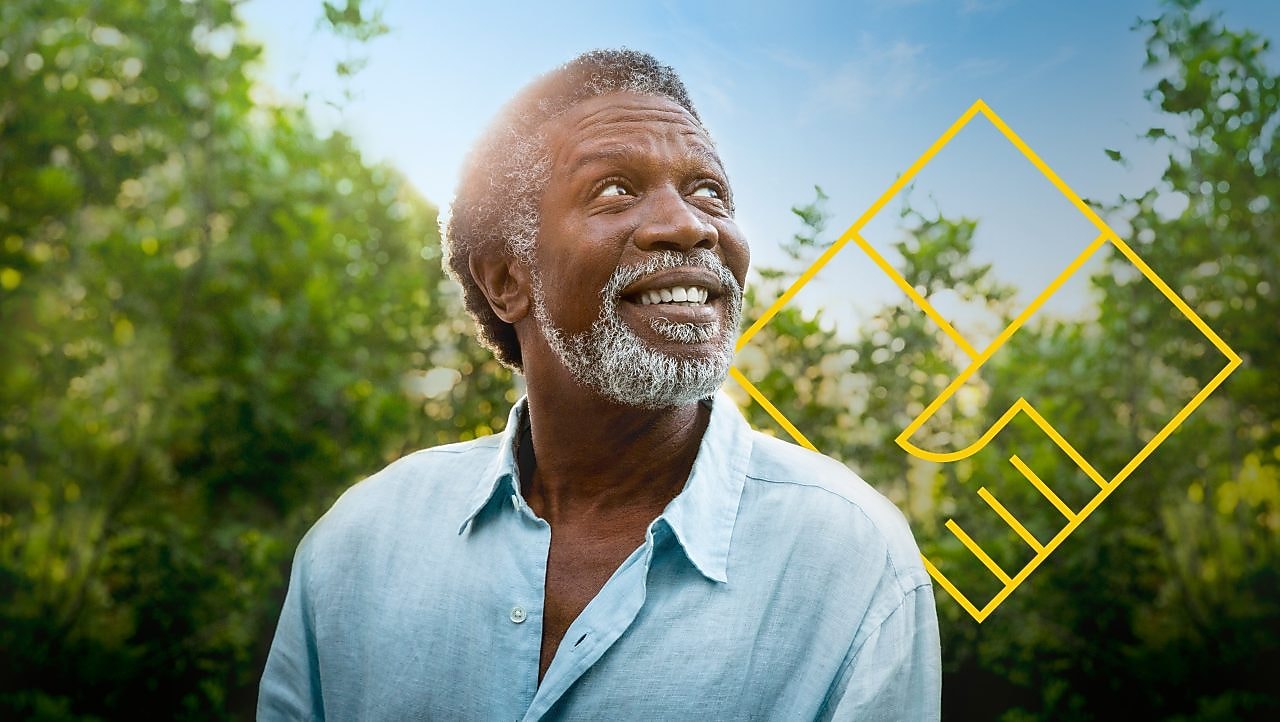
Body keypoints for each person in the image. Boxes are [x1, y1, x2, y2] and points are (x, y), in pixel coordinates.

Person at [258, 49, 941, 721]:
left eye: (710, 191)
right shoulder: (355, 551)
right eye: (615, 187)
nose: (689, 225)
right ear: (506, 279)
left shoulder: (853, 562)